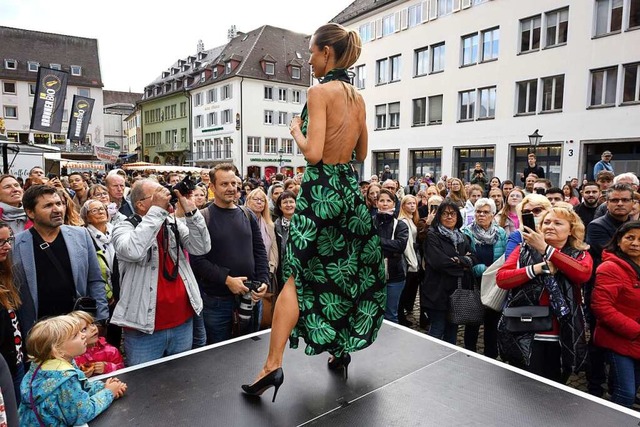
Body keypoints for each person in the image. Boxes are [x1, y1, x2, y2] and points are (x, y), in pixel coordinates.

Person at [243, 23, 385, 401]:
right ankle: (340, 352)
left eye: (311, 52)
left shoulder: (319, 92)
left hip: (320, 191)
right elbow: (361, 155)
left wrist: (295, 130)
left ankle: (272, 365)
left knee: (296, 276)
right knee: (344, 269)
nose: (309, 59)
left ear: (326, 52)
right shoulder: (358, 98)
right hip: (348, 192)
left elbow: (313, 154)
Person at [111, 179, 211, 366]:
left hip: (182, 321)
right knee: (145, 384)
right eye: (158, 194)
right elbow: (133, 250)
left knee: (180, 379)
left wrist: (191, 211)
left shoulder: (172, 223)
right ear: (140, 204)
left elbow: (201, 248)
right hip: (144, 328)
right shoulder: (123, 226)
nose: (165, 196)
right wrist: (157, 211)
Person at [496, 205, 592, 383]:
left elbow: (582, 273)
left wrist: (546, 250)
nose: (550, 226)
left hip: (563, 334)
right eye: (546, 222)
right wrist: (536, 269)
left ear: (571, 229)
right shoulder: (523, 249)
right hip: (526, 332)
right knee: (524, 387)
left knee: (554, 387)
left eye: (558, 223)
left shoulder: (580, 254)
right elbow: (502, 279)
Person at [13, 185, 109, 338]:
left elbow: (95, 280)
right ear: (30, 212)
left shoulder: (81, 235)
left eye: (59, 203)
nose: (57, 209)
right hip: (39, 333)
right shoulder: (16, 244)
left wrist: (100, 319)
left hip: (77, 328)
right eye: (48, 205)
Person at [190, 165, 269, 344]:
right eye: (224, 184)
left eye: (234, 183)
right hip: (218, 303)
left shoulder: (247, 214)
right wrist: (227, 280)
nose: (231, 188)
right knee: (219, 356)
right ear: (212, 187)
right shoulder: (203, 218)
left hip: (250, 297)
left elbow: (259, 251)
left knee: (249, 350)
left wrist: (264, 280)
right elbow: (198, 260)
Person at [18, 315, 127, 425]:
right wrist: (109, 393)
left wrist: (103, 386)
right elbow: (83, 413)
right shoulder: (65, 379)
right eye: (75, 335)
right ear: (57, 350)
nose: (83, 335)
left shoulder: (42, 365)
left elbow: (81, 387)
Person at [584, 182, 634, 397]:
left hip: (628, 295)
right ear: (607, 202)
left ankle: (620, 385)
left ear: (633, 203)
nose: (620, 203)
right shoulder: (597, 226)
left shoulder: (634, 225)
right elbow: (612, 253)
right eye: (614, 200)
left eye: (624, 200)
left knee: (623, 344)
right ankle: (595, 386)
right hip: (602, 290)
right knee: (598, 342)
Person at [591, 221, 640, 408]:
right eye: (630, 237)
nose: (635, 243)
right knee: (625, 393)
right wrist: (636, 330)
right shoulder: (610, 268)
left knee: (632, 388)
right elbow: (601, 306)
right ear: (619, 241)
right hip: (620, 339)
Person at [422, 200, 476, 344]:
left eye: (452, 214)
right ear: (439, 216)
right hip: (437, 291)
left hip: (456, 291)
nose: (449, 217)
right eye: (445, 214)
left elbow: (474, 259)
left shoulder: (463, 237)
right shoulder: (432, 235)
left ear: (458, 217)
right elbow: (439, 262)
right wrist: (463, 262)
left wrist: (458, 260)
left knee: (452, 329)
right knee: (437, 328)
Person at [461, 198, 506, 358]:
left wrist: (495, 273)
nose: (481, 215)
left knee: (492, 321)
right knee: (473, 320)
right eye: (478, 211)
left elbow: (505, 257)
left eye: (486, 212)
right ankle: (469, 353)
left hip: (494, 283)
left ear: (493, 215)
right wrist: (483, 270)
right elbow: (465, 258)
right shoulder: (466, 232)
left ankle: (491, 355)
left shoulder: (500, 233)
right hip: (474, 282)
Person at [80, 199, 121, 348]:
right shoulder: (84, 236)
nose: (101, 212)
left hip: (119, 291)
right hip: (99, 294)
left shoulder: (117, 230)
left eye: (102, 208)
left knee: (116, 333)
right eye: (94, 210)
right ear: (86, 217)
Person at [374, 189, 408, 324]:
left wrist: (376, 240)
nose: (385, 204)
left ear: (394, 203)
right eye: (382, 200)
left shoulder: (400, 224)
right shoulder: (371, 221)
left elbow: (400, 245)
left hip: (394, 275)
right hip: (373, 274)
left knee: (391, 314)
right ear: (377, 203)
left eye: (388, 201)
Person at [246, 188, 279, 328]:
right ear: (248, 201)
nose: (259, 202)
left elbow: (274, 251)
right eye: (256, 199)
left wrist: (268, 271)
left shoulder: (270, 226)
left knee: (260, 316)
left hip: (264, 276)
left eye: (263, 200)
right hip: (245, 275)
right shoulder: (242, 221)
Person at [0, 222, 25, 401]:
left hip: (16, 362)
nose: (8, 246)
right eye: (0, 242)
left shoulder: (5, 272)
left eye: (8, 239)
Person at [70, 310, 124, 377]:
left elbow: (122, 370)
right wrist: (81, 375)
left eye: (92, 323)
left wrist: (107, 367)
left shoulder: (111, 351)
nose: (93, 328)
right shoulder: (72, 357)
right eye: (84, 329)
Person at [504, 194, 552, 259]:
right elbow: (510, 263)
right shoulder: (518, 235)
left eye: (537, 210)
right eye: (526, 212)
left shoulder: (554, 232)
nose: (532, 214)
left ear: (548, 211)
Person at [397, 195, 420, 327]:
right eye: (409, 203)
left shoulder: (411, 219)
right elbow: (408, 245)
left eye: (414, 203)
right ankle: (400, 317)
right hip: (407, 260)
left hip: (411, 257)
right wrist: (413, 264)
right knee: (403, 290)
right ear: (403, 206)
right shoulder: (404, 221)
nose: (412, 206)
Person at [274, 191, 296, 294]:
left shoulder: (303, 224)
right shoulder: (275, 226)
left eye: (291, 202)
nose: (288, 205)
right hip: (281, 273)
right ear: (280, 206)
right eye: (285, 202)